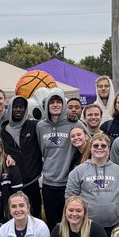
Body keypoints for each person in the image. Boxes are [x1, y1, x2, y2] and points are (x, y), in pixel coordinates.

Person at [65, 133, 119, 231]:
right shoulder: (78, 171)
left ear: (109, 149)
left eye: (103, 146)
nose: (99, 148)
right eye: (95, 146)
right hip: (86, 225)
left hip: (115, 224)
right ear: (90, 148)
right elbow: (70, 198)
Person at [36, 91, 77, 226]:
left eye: (58, 102)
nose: (55, 105)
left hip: (69, 183)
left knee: (69, 222)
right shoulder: (40, 126)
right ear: (46, 106)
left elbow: (88, 144)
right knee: (51, 223)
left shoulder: (75, 124)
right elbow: (39, 149)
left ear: (64, 104)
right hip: (48, 183)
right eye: (51, 102)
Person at [0, 94, 43, 218]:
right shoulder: (3, 130)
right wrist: (6, 156)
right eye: (15, 107)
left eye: (22, 107)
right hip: (13, 183)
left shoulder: (34, 126)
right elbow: (1, 151)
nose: (18, 109)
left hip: (32, 181)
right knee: (15, 216)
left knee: (35, 217)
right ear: (10, 108)